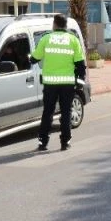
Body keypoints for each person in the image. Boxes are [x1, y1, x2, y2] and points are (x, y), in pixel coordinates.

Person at [30, 15, 86, 151]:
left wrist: (31, 57)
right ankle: (64, 142)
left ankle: (43, 142)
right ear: (65, 26)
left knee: (48, 112)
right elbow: (80, 64)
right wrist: (80, 81)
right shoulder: (73, 40)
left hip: (50, 84)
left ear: (54, 25)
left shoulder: (46, 39)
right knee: (66, 112)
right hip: (67, 84)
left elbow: (35, 58)